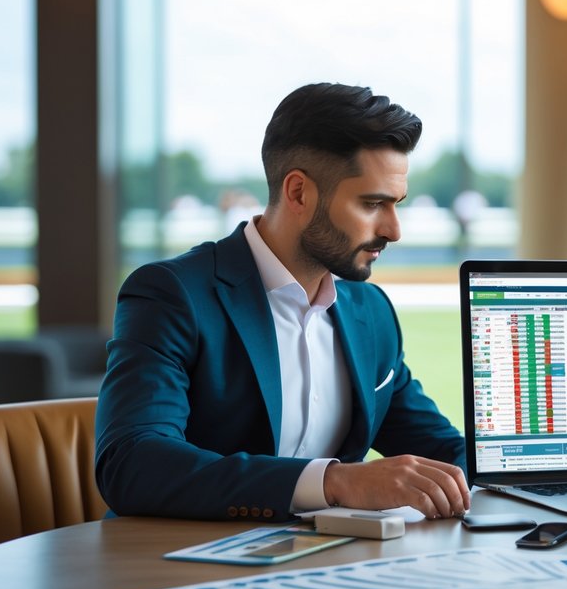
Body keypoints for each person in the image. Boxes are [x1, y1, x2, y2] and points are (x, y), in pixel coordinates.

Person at [95, 83, 469, 522]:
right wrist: (336, 482)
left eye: (396, 204)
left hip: (335, 569)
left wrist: (537, 467)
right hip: (184, 568)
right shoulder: (172, 295)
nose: (393, 229)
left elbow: (447, 452)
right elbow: (132, 463)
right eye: (373, 204)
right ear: (298, 193)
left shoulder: (370, 311)